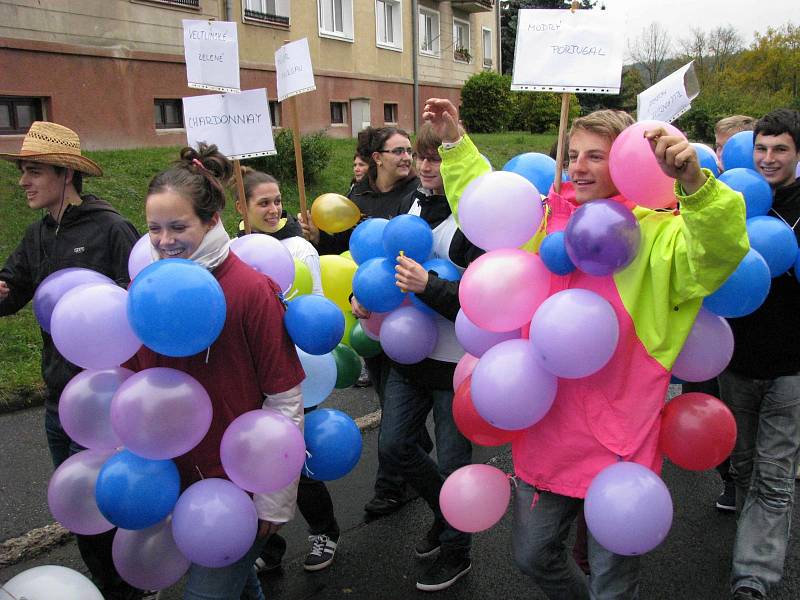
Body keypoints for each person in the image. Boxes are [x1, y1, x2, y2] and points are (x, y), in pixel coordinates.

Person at [423, 97, 748, 599]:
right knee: (532, 557)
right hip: (548, 435)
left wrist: (695, 186)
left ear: (625, 163)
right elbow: (485, 206)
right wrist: (454, 142)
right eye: (572, 153)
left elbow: (718, 251)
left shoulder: (656, 237)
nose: (578, 166)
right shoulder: (546, 221)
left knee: (613, 583)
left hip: (619, 440)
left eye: (595, 155)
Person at [125, 143, 305, 600]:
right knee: (239, 586)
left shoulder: (249, 290)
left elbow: (283, 396)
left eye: (178, 226)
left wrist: (273, 495)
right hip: (174, 476)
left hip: (234, 486)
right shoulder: (147, 290)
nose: (164, 241)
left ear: (211, 221)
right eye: (154, 229)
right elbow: (136, 385)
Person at [0, 121, 141, 600]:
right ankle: (112, 586)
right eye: (22, 170)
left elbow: (142, 306)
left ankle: (139, 576)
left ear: (66, 174)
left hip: (107, 401)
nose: (23, 181)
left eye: (34, 170)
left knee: (118, 503)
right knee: (80, 507)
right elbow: (12, 289)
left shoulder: (112, 228)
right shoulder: (38, 233)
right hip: (59, 398)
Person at [351, 123, 481, 591]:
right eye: (423, 157)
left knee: (452, 465)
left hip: (454, 364)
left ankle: (456, 549)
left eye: (437, 158)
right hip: (407, 356)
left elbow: (483, 301)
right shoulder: (408, 204)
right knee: (396, 447)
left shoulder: (473, 222)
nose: (427, 166)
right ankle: (445, 515)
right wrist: (360, 299)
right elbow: (380, 267)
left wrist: (430, 287)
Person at [299, 127, 431, 517]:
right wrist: (320, 238)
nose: (407, 157)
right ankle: (414, 461)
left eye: (409, 150)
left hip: (407, 313)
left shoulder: (415, 197)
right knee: (391, 397)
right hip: (367, 315)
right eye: (398, 151)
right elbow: (346, 250)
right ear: (377, 157)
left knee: (396, 400)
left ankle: (391, 486)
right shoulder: (358, 195)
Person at [235, 166, 340, 574]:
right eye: (264, 202)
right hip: (248, 371)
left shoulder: (299, 249)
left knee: (295, 456)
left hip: (291, 369)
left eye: (277, 200)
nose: (275, 208)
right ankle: (268, 545)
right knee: (257, 461)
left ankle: (325, 530)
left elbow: (312, 308)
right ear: (241, 206)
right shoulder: (230, 248)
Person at [718, 108, 800, 600]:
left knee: (774, 474)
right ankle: (754, 541)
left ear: (797, 153)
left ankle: (754, 578)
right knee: (744, 464)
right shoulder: (734, 199)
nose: (769, 159)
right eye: (762, 149)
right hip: (736, 357)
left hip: (792, 363)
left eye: (781, 149)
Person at [685, 113, 757, 513]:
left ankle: (746, 479)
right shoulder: (708, 185)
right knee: (708, 400)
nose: (726, 154)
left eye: (733, 145)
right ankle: (730, 476)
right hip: (708, 328)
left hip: (753, 329)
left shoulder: (742, 192)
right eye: (721, 144)